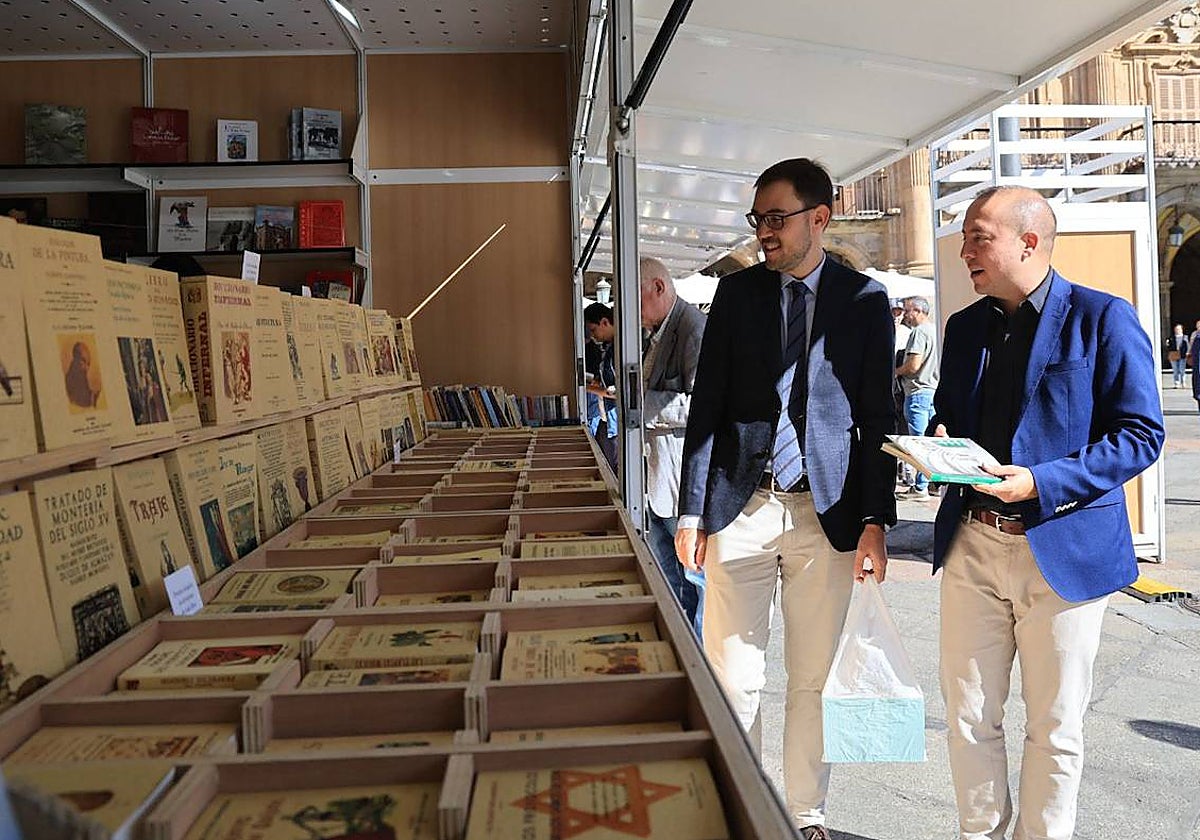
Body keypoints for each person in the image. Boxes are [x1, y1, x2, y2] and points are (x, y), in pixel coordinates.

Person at [930, 185, 1164, 840]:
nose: (965, 250)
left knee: (1054, 725)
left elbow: (1141, 434)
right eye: (965, 237)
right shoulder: (964, 328)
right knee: (969, 716)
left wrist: (1041, 481)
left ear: (1028, 241)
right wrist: (938, 448)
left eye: (980, 236)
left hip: (1062, 546)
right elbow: (954, 418)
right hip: (973, 541)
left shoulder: (1103, 318)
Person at [676, 158, 896, 839]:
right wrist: (691, 509)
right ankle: (743, 804)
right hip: (739, 508)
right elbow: (706, 403)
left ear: (818, 219)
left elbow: (879, 417)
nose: (764, 232)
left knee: (811, 682)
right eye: (759, 220)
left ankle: (804, 817)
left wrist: (876, 522)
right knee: (734, 678)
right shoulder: (736, 297)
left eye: (777, 219)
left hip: (823, 513)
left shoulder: (864, 301)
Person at [639, 256, 707, 637]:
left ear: (659, 288)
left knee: (695, 582)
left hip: (679, 481)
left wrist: (640, 405)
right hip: (657, 482)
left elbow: (702, 405)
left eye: (635, 296)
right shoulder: (661, 330)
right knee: (671, 581)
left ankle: (700, 666)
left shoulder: (694, 328)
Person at [895, 295, 939, 499]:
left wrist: (895, 371)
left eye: (908, 310)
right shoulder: (935, 330)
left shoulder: (919, 333)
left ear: (919, 311)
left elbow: (914, 365)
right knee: (931, 442)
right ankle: (931, 483)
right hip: (933, 391)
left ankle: (920, 487)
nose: (905, 315)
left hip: (918, 392)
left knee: (919, 442)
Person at [583, 302, 618, 472]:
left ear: (605, 322)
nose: (593, 335)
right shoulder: (609, 348)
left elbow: (616, 391)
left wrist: (586, 388)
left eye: (594, 329)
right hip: (609, 419)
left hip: (619, 422)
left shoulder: (621, 349)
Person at [1167, 323, 1190, 388]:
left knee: (1182, 369)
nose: (1177, 330)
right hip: (1174, 355)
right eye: (1176, 329)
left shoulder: (1185, 337)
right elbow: (1168, 346)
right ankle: (1176, 383)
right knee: (1175, 370)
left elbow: (1188, 345)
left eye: (1179, 329)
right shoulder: (1171, 337)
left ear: (1182, 330)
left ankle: (1183, 382)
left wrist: (1188, 352)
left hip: (1182, 355)